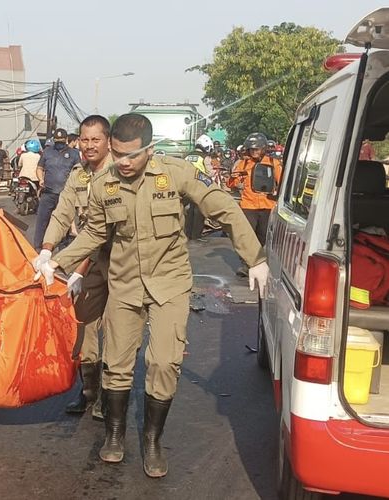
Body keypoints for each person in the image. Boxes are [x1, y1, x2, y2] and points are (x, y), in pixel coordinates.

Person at [35, 113, 268, 478]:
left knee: (163, 362)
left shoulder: (175, 173)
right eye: (118, 154)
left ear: (150, 149)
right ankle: (114, 436)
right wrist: (56, 262)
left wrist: (254, 258)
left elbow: (222, 207)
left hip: (170, 283)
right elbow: (94, 234)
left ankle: (153, 440)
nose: (123, 163)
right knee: (117, 363)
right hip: (125, 284)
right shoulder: (103, 185)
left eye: (132, 155)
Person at [35, 115, 113, 419]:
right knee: (86, 328)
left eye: (96, 139)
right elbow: (62, 212)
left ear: (107, 141)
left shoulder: (120, 173)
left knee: (119, 332)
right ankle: (89, 392)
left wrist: (77, 268)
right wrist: (46, 249)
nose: (90, 145)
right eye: (85, 139)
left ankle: (112, 395)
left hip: (120, 262)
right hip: (88, 259)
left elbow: (101, 232)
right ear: (78, 141)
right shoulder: (78, 174)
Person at [227, 132, 283, 250]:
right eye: (251, 149)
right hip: (248, 206)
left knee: (262, 236)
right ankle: (246, 264)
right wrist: (233, 177)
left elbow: (282, 183)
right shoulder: (244, 164)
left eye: (256, 149)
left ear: (263, 148)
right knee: (247, 236)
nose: (253, 151)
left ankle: (258, 259)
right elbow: (232, 184)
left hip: (267, 205)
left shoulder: (274, 163)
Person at [33, 128, 81, 250]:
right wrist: (40, 179)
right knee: (42, 221)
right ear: (54, 140)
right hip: (48, 193)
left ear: (66, 140)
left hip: (65, 194)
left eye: (61, 141)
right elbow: (39, 168)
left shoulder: (74, 154)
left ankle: (62, 247)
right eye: (57, 141)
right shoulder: (48, 152)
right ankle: (38, 247)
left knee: (63, 221)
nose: (59, 143)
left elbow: (79, 172)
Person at [184, 134, 215, 240]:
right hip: (199, 188)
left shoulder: (187, 155)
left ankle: (187, 234)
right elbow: (209, 173)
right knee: (199, 212)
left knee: (188, 213)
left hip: (186, 187)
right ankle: (196, 236)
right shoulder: (204, 157)